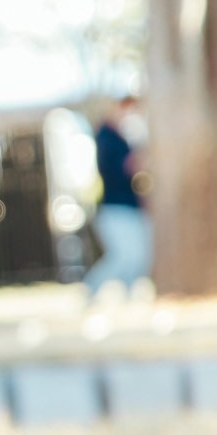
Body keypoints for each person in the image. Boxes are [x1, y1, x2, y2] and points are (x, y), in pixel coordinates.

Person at [85, 95, 153, 294]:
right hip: (116, 206)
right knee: (123, 257)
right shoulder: (107, 136)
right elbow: (127, 167)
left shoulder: (123, 136)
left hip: (131, 205)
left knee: (139, 257)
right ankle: (91, 289)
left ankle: (131, 295)